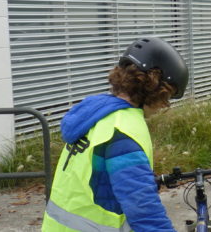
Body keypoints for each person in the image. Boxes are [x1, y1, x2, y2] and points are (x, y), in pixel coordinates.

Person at [42, 37, 189, 231]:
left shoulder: (96, 112)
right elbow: (143, 210)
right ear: (156, 88)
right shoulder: (124, 130)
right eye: (168, 95)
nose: (164, 105)